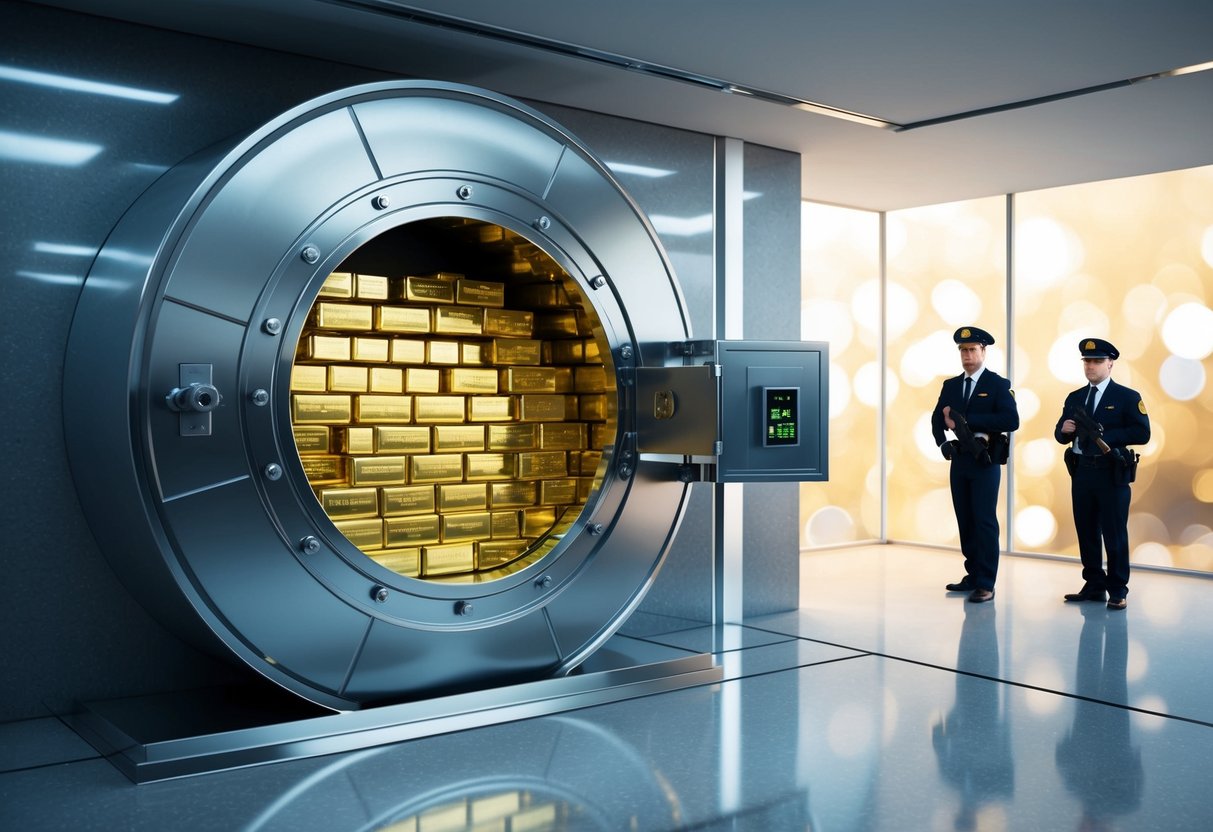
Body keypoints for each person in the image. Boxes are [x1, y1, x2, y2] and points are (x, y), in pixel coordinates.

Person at [1054, 338, 1150, 610]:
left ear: (1110, 363)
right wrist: (1065, 430)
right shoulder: (1074, 398)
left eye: (1097, 361)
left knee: (1114, 533)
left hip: (1111, 474)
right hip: (1082, 472)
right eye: (1087, 361)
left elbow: (1142, 433)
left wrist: (1105, 435)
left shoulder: (1127, 397)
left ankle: (1118, 589)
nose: (1091, 366)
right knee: (1086, 530)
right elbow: (1059, 434)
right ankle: (1094, 584)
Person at [931, 327, 1020, 603]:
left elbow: (1011, 420)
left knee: (983, 520)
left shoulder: (997, 385)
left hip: (985, 460)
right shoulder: (951, 385)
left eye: (972, 350)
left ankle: (986, 582)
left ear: (984, 351)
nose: (967, 355)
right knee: (965, 519)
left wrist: (968, 422)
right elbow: (936, 418)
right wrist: (942, 443)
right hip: (960, 460)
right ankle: (972, 574)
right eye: (963, 350)